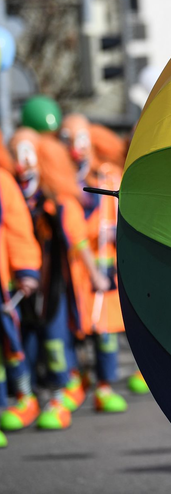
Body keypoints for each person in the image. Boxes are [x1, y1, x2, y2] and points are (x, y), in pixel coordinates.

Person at [8, 128, 109, 430]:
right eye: (16, 154)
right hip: (25, 283)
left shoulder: (60, 201)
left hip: (58, 284)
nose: (22, 164)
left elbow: (77, 240)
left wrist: (94, 275)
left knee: (55, 338)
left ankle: (64, 389)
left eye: (28, 155)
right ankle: (28, 396)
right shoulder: (16, 195)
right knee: (25, 341)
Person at [59, 114, 129, 412]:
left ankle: (104, 385)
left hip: (105, 267)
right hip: (73, 272)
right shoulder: (62, 183)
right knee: (74, 328)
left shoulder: (108, 176)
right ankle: (77, 380)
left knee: (106, 328)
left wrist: (118, 228)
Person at [0, 132, 41, 446]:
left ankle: (24, 397)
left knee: (11, 345)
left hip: (2, 285)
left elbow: (17, 229)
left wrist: (26, 270)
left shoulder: (3, 182)